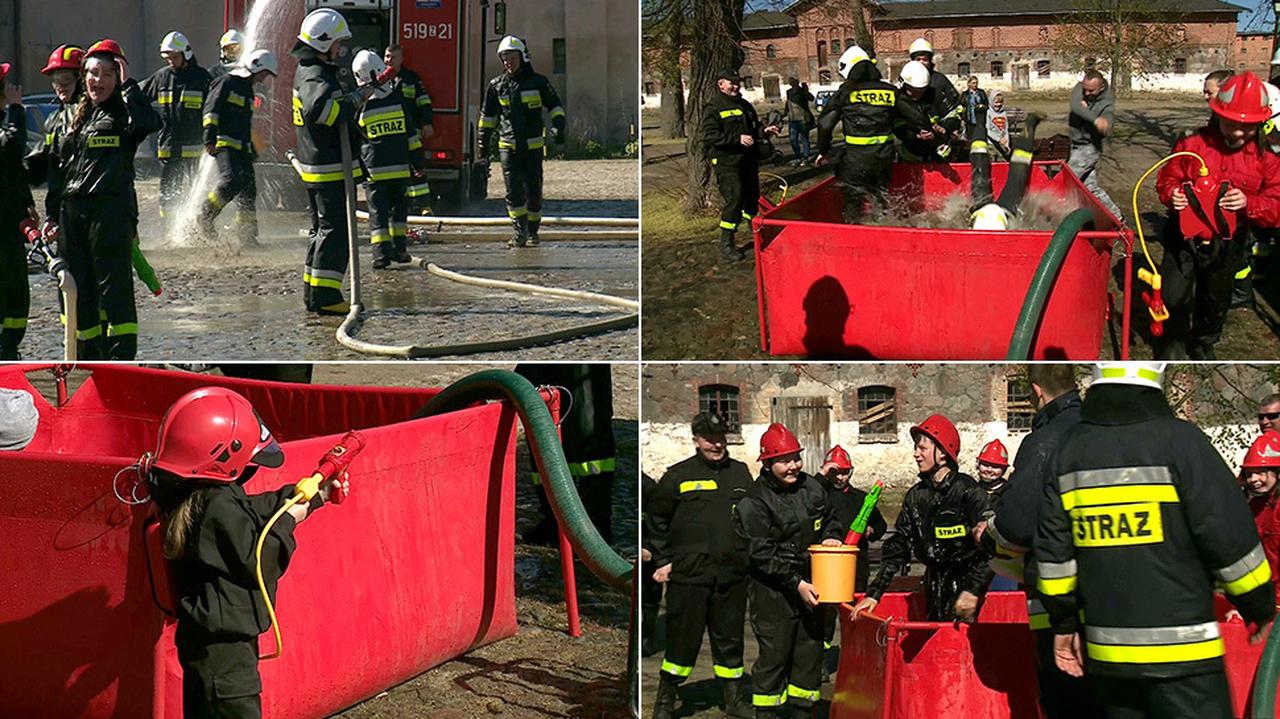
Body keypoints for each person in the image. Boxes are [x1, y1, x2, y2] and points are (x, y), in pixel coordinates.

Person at [1036, 362, 1275, 718]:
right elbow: (1228, 536)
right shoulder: (1182, 442)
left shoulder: (1067, 452)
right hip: (1187, 661)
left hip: (1109, 661)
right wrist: (1259, 603)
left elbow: (1054, 562)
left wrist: (1064, 623)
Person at [144, 387, 346, 719]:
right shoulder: (217, 507)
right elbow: (257, 559)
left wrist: (308, 497)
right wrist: (292, 519)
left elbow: (250, 513)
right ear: (225, 455)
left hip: (212, 651)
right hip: (226, 660)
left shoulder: (198, 497)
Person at [976, 364, 1100, 719]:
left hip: (1053, 598)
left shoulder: (1044, 441)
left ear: (1036, 391)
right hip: (1106, 598)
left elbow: (1018, 523)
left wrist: (988, 533)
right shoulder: (1097, 429)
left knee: (1064, 698)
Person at [1155, 71, 1280, 359]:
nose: (1237, 132)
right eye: (1230, 123)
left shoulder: (1270, 154)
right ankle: (1171, 345)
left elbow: (1275, 205)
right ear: (1216, 113)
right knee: (1173, 297)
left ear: (1261, 122)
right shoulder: (1191, 142)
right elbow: (1167, 179)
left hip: (1229, 240)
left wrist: (1249, 203)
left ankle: (1203, 343)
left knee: (1215, 300)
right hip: (1183, 236)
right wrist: (1171, 195)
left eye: (1246, 127)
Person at [648, 412, 753, 719]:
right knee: (682, 640)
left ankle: (733, 699)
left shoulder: (741, 473)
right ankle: (665, 700)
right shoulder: (678, 475)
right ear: (695, 440)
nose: (716, 445)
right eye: (709, 439)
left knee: (730, 641)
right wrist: (664, 559)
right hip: (690, 576)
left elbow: (753, 518)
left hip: (731, 576)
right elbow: (656, 518)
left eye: (721, 438)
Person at [734, 423, 843, 718]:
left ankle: (803, 712)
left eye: (796, 458)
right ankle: (767, 713)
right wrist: (795, 583)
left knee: (809, 657)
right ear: (767, 464)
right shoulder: (753, 501)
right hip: (773, 593)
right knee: (774, 659)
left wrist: (832, 535)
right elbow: (761, 553)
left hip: (813, 585)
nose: (793, 466)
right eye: (784, 460)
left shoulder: (813, 488)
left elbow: (832, 517)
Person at [61, 39, 160, 360]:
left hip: (109, 216)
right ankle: (90, 359)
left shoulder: (123, 114)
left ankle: (121, 361)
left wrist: (130, 85)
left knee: (114, 294)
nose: (97, 81)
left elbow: (149, 123)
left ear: (117, 77)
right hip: (73, 218)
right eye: (91, 73)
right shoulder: (81, 114)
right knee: (83, 295)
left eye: (106, 74)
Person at [854, 414, 992, 622]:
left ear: (943, 453)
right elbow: (898, 545)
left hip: (969, 588)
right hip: (933, 584)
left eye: (922, 448)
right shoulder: (916, 496)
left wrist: (973, 590)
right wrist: (875, 593)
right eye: (916, 448)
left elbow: (991, 545)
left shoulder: (969, 491)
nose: (916, 454)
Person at [291, 8, 370, 315]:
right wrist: (354, 100)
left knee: (321, 230)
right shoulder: (315, 74)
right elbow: (321, 112)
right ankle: (325, 297)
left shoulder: (310, 69)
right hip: (328, 167)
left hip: (320, 165)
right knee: (335, 231)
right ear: (323, 44)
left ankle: (314, 293)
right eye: (337, 43)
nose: (341, 49)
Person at [815, 46, 925, 223]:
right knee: (881, 199)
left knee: (853, 202)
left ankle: (856, 236)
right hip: (884, 159)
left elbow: (824, 124)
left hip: (855, 161)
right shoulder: (889, 90)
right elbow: (916, 115)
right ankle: (886, 231)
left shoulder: (846, 92)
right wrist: (925, 128)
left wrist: (824, 150)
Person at [477, 35, 566, 249]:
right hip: (508, 147)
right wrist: (482, 146)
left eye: (512, 57)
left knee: (534, 191)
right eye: (504, 58)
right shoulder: (496, 85)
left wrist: (559, 126)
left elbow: (555, 105)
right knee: (513, 191)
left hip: (533, 147)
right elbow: (487, 118)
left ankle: (533, 231)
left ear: (523, 57)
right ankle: (519, 233)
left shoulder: (539, 82)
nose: (508, 62)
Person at [513, 364, 616, 545]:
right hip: (553, 380)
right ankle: (556, 526)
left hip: (581, 388)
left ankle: (590, 533)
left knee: (586, 450)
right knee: (546, 448)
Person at [348, 50, 427, 269]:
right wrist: (418, 163)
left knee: (378, 216)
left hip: (375, 173)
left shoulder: (361, 108)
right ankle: (400, 250)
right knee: (400, 213)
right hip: (401, 169)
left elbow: (354, 142)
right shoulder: (398, 101)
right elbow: (412, 137)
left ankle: (381, 256)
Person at [699, 67, 779, 262]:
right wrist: (736, 138)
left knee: (751, 199)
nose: (735, 86)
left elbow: (753, 128)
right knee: (734, 199)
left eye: (737, 82)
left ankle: (756, 233)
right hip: (727, 162)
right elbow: (709, 135)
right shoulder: (714, 107)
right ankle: (727, 243)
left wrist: (764, 131)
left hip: (748, 160)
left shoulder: (744, 104)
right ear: (721, 84)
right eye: (731, 82)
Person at [198, 49, 276, 246]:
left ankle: (246, 234)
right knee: (231, 180)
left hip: (241, 146)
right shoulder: (227, 82)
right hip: (223, 142)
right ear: (256, 68)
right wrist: (209, 137)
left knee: (249, 187)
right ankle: (205, 215)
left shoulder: (247, 89)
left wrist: (250, 148)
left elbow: (243, 123)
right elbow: (211, 109)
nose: (264, 79)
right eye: (264, 74)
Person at [816, 444, 885, 664]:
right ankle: (823, 659)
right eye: (835, 472)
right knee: (824, 617)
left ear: (851, 472)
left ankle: (857, 655)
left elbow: (881, 525)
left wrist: (871, 530)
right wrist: (821, 477)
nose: (840, 478)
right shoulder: (818, 495)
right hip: (827, 569)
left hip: (857, 568)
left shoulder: (862, 499)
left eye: (844, 472)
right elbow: (805, 496)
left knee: (856, 614)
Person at [139, 31, 211, 228]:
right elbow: (139, 97)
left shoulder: (202, 78)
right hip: (168, 148)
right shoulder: (161, 77)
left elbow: (213, 109)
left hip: (195, 148)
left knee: (196, 189)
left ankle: (194, 226)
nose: (171, 61)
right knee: (168, 191)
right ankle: (168, 228)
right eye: (168, 58)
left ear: (186, 54)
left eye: (175, 57)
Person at [0, 60, 33, 359]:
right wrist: (16, 109)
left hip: (9, 227)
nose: (11, 89)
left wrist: (28, 204)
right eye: (5, 87)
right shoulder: (8, 121)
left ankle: (9, 350)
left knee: (17, 296)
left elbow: (14, 173)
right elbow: (10, 149)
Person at [1067, 69, 1124, 222]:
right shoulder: (1081, 87)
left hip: (1089, 148)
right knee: (1090, 188)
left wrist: (1104, 122)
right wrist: (1094, 119)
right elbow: (1075, 106)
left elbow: (1108, 121)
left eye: (1091, 90)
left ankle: (1057, 219)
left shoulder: (1107, 100)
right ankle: (1117, 218)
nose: (1086, 93)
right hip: (1075, 146)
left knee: (1067, 181)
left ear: (1101, 88)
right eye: (1085, 89)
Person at [383, 45, 434, 208]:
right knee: (392, 170)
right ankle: (397, 205)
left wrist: (427, 122)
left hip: (410, 131)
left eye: (393, 57)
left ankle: (423, 206)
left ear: (402, 59)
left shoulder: (411, 79)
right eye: (387, 56)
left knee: (417, 169)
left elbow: (423, 101)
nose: (389, 60)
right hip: (389, 132)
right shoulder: (379, 79)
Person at [894, 60, 961, 162]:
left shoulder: (935, 95)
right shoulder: (897, 100)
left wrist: (945, 128)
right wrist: (915, 136)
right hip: (909, 155)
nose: (917, 95)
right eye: (913, 90)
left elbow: (953, 115)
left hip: (938, 154)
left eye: (921, 91)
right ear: (904, 85)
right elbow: (896, 127)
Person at [1240, 431, 1280, 593]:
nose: (1253, 479)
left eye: (1260, 472)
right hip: (1262, 594)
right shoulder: (1253, 506)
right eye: (1249, 474)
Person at [907, 37, 961, 113]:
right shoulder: (907, 79)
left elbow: (954, 101)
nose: (921, 62)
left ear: (930, 61)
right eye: (918, 59)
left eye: (925, 59)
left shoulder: (940, 79)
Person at [784, 77, 814, 166]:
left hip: (803, 119)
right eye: (790, 81)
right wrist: (785, 112)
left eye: (793, 80)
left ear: (797, 82)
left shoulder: (802, 91)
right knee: (793, 140)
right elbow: (788, 102)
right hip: (792, 119)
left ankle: (805, 157)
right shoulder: (788, 92)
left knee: (804, 138)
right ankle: (798, 156)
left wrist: (806, 91)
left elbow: (811, 98)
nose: (791, 82)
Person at [960, 75, 988, 140]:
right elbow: (961, 105)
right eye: (973, 83)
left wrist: (983, 107)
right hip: (969, 117)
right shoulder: (965, 94)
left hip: (980, 117)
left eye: (976, 83)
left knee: (980, 135)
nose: (975, 85)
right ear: (969, 84)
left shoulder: (981, 92)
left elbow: (986, 103)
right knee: (970, 136)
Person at [985, 91, 1011, 160]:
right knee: (992, 160)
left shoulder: (1004, 113)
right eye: (996, 102)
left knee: (1002, 161)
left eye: (1000, 102)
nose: (998, 104)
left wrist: (1007, 143)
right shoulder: (988, 113)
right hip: (992, 144)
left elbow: (1006, 129)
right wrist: (998, 139)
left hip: (1002, 144)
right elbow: (987, 130)